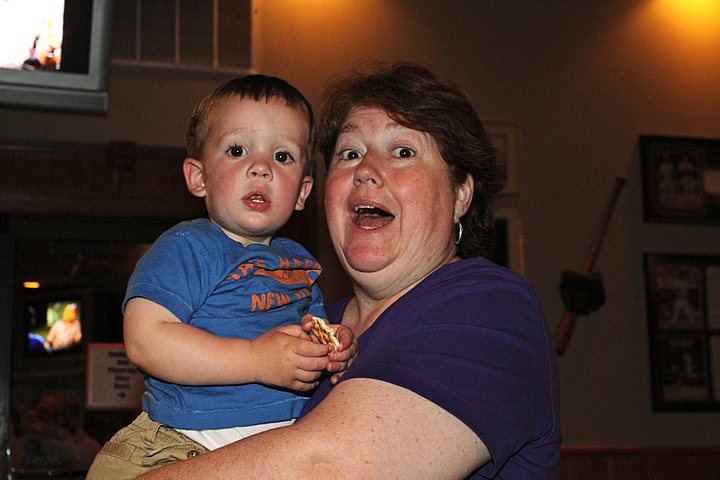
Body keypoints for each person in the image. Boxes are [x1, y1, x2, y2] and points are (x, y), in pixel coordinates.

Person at [138, 62, 560, 479]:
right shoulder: (307, 320)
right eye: (350, 153)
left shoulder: (490, 308)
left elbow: (326, 468)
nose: (365, 171)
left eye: (403, 151)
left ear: (461, 193)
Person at [87, 74, 356, 479]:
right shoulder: (188, 247)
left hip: (277, 449)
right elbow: (146, 341)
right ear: (199, 177)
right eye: (237, 150)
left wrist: (333, 351)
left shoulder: (300, 264)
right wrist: (254, 360)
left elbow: (309, 337)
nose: (261, 168)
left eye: (282, 157)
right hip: (175, 445)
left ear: (302, 192)